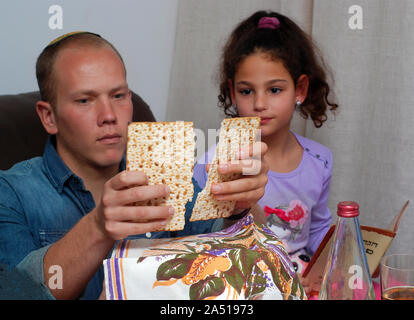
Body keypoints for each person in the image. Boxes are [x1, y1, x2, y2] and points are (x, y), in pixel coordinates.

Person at [0, 32, 269, 299]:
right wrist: (98, 227)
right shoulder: (11, 193)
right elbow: (17, 292)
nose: (109, 116)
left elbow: (238, 258)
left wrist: (239, 208)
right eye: (84, 100)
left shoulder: (163, 176)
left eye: (118, 96)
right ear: (49, 117)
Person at [193, 11, 338, 273]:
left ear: (301, 89)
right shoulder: (215, 164)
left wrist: (333, 261)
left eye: (274, 90)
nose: (260, 104)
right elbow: (206, 242)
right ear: (232, 93)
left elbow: (317, 230)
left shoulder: (320, 159)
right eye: (247, 91)